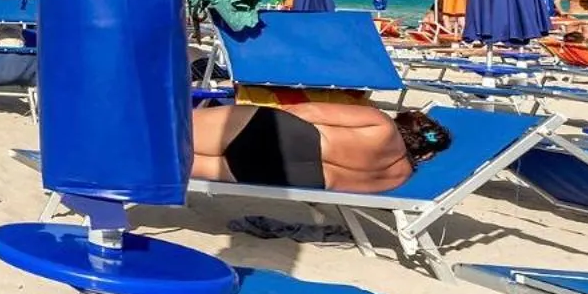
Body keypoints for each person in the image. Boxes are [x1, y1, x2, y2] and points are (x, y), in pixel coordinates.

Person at [191, 102, 450, 195]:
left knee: (170, 130)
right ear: (425, 153)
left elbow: (306, 111)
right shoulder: (400, 177)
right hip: (298, 177)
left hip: (289, 137)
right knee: (173, 162)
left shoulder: (381, 124)